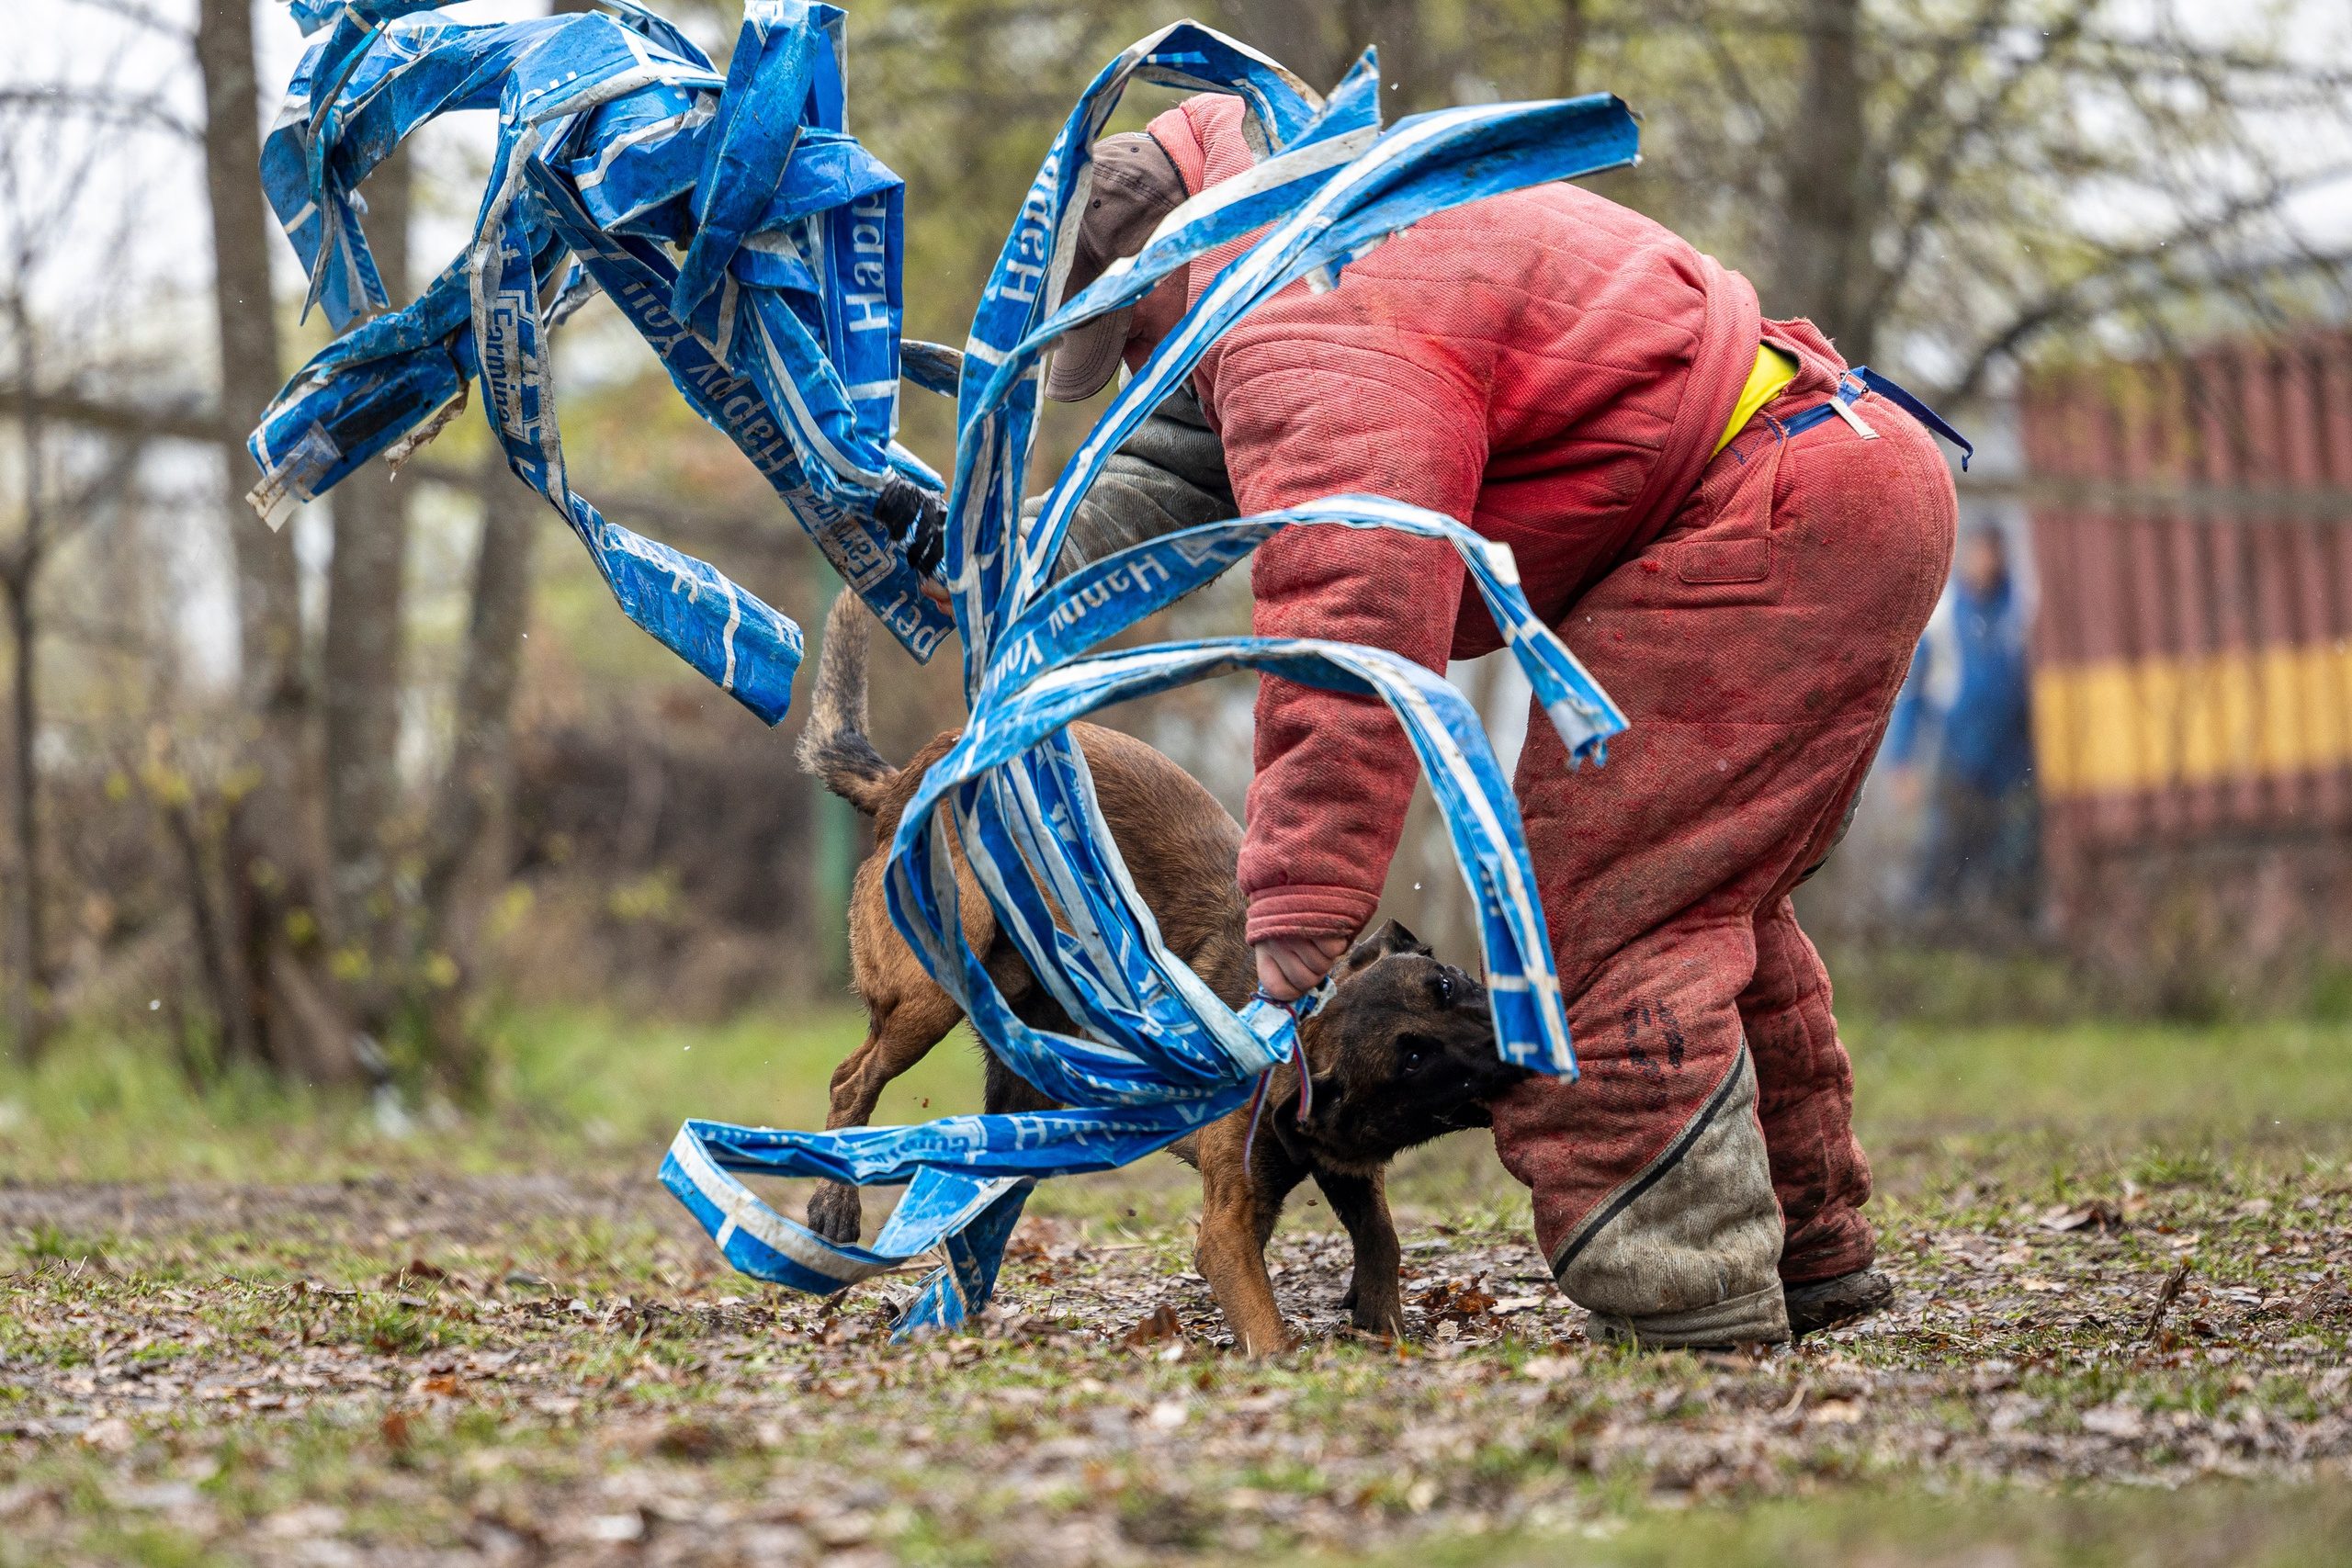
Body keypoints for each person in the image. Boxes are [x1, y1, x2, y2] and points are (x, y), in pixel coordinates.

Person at [1029, 100, 1960, 1347]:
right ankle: (1806, 1248)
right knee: (1696, 894)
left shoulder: (1300, 313)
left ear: (1158, 274)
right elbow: (1188, 465)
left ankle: (1688, 1299)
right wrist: (993, 570)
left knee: (1589, 908)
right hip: (1837, 465)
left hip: (1773, 512)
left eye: (1130, 343)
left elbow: (1346, 627)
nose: (1141, 374)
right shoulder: (1312, 230)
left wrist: (1299, 915)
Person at [1883, 526, 2038, 926]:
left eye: (1991, 554)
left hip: (2013, 752)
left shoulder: (2021, 608)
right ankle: (1935, 928)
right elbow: (1913, 691)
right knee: (1949, 845)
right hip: (1957, 749)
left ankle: (2010, 926)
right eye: (1977, 554)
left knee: (2013, 848)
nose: (1984, 563)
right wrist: (1902, 758)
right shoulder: (1946, 613)